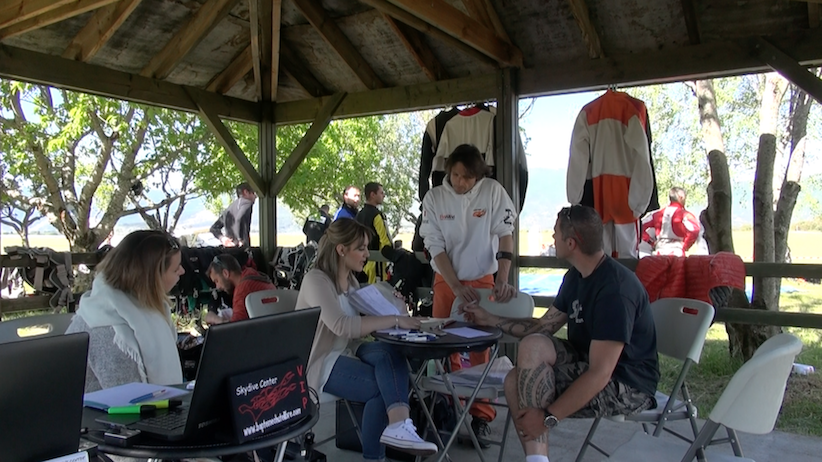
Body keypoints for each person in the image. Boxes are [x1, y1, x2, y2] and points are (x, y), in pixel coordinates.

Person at [462, 205, 659, 462]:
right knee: (526, 357)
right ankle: (537, 459)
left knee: (515, 382)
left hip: (627, 382)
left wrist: (548, 417)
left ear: (571, 242)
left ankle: (535, 457)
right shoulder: (577, 276)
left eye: (555, 233)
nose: (552, 239)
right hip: (588, 361)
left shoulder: (615, 290)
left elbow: (601, 373)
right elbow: (542, 328)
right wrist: (491, 319)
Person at [295, 219, 437, 461]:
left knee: (390, 353)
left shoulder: (349, 280)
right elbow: (343, 325)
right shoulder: (316, 280)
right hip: (319, 362)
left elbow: (368, 316)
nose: (366, 255)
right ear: (341, 250)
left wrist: (396, 305)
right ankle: (377, 454)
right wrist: (394, 319)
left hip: (345, 351)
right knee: (381, 388)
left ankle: (399, 424)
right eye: (361, 248)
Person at [419, 143, 517, 440]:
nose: (462, 182)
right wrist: (456, 286)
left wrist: (502, 277)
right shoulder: (434, 198)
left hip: (483, 281)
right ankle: (448, 409)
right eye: (457, 175)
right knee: (442, 347)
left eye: (468, 177)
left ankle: (481, 417)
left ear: (479, 176)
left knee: (480, 350)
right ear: (449, 170)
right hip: (447, 282)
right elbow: (434, 246)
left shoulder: (493, 191)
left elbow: (505, 234)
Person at [66, 230, 185, 392]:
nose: (182, 271)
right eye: (175, 268)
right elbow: (129, 399)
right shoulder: (107, 329)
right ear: (152, 278)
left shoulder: (137, 306)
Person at [204, 254, 275, 324]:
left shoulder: (243, 290)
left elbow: (235, 329)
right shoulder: (253, 275)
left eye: (217, 281)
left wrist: (215, 319)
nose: (217, 287)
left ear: (225, 273)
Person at [641, 187, 701, 257]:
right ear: (681, 197)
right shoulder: (685, 215)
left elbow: (640, 227)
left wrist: (650, 242)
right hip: (677, 252)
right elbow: (694, 230)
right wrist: (686, 245)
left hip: (660, 251)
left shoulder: (657, 214)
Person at [356, 182, 392, 283]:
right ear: (372, 195)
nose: (383, 195)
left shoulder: (358, 215)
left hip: (360, 265)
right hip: (376, 267)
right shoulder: (377, 216)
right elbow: (386, 242)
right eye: (381, 193)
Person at [210, 182, 257, 247]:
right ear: (246, 192)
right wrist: (240, 239)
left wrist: (222, 238)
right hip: (241, 249)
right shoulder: (247, 203)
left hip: (229, 247)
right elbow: (239, 218)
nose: (255, 196)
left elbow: (213, 228)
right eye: (253, 193)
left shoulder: (229, 209)